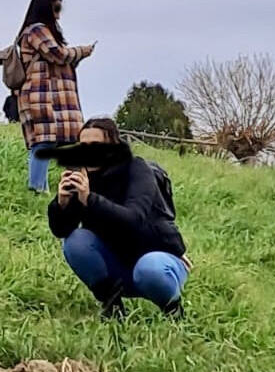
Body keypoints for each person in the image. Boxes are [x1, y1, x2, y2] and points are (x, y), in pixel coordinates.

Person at [48, 118, 191, 319]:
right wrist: (62, 204)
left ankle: (173, 310)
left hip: (156, 258)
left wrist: (89, 198)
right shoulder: (81, 176)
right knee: (75, 241)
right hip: (117, 265)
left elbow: (133, 220)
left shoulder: (137, 170)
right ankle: (112, 305)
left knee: (149, 268)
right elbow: (61, 230)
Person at [16, 0, 95, 193]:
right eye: (56, 8)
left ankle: (42, 187)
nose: (59, 14)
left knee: (46, 143)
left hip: (46, 95)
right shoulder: (37, 31)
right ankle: (36, 188)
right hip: (41, 96)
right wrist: (82, 51)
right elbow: (57, 54)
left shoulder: (37, 31)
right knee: (43, 143)